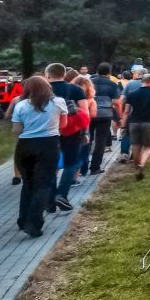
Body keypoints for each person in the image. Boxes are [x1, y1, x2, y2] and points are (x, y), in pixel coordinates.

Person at [11, 76, 64, 238]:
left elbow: (16, 130)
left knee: (28, 184)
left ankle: (22, 219)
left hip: (25, 146)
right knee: (43, 185)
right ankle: (33, 224)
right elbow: (63, 124)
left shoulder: (20, 105)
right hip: (49, 144)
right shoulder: (58, 102)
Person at [48, 62, 88, 213]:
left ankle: (50, 200)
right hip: (72, 131)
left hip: (50, 131)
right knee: (71, 163)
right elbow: (85, 113)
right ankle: (61, 195)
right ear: (64, 74)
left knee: (51, 164)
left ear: (47, 75)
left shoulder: (44, 89)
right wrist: (85, 132)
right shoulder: (76, 89)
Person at [123, 73, 150, 179]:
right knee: (148, 147)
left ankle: (137, 164)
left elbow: (126, 111)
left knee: (135, 145)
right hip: (149, 122)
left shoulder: (132, 94)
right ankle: (142, 164)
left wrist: (123, 124)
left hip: (134, 122)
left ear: (142, 81)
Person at [88, 63, 121, 174]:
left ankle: (82, 167)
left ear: (97, 71)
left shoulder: (89, 82)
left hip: (89, 113)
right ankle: (95, 167)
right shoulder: (112, 84)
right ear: (109, 73)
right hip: (105, 114)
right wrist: (119, 117)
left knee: (87, 138)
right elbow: (117, 102)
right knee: (101, 141)